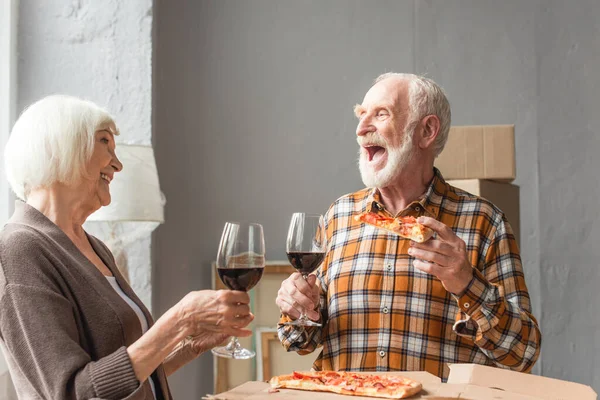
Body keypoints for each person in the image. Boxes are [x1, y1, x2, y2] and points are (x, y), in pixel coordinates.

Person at [276, 73, 541, 380]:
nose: (362, 129)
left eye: (381, 114)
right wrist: (297, 309)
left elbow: (523, 355)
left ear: (426, 130)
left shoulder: (484, 221)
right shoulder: (339, 216)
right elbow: (300, 340)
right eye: (361, 115)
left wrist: (468, 284)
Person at [0, 95, 253, 399]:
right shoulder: (18, 250)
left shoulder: (95, 247)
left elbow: (125, 380)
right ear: (60, 147)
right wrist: (178, 321)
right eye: (104, 142)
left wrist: (189, 342)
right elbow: (71, 393)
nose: (117, 165)